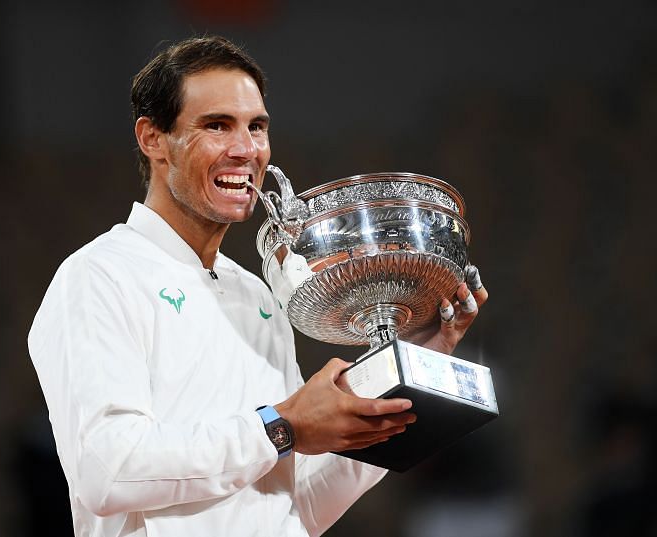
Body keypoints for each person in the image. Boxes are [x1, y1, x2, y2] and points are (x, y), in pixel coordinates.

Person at [28, 36, 488, 537]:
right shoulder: (99, 276)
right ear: (153, 139)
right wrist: (281, 425)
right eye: (217, 126)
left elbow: (294, 508)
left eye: (257, 127)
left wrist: (406, 371)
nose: (246, 150)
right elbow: (109, 472)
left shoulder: (258, 297)